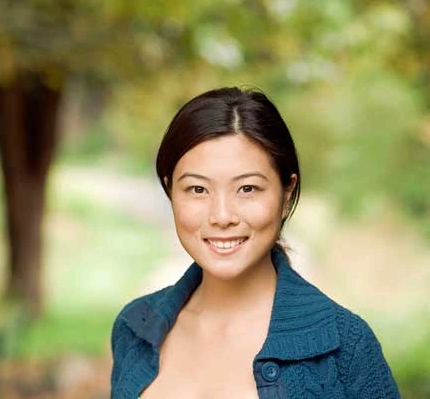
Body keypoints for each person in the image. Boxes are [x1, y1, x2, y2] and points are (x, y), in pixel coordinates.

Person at [109, 87, 400, 399]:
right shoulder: (135, 329)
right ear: (170, 191)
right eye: (197, 189)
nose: (222, 216)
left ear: (286, 194)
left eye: (247, 189)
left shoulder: (346, 346)